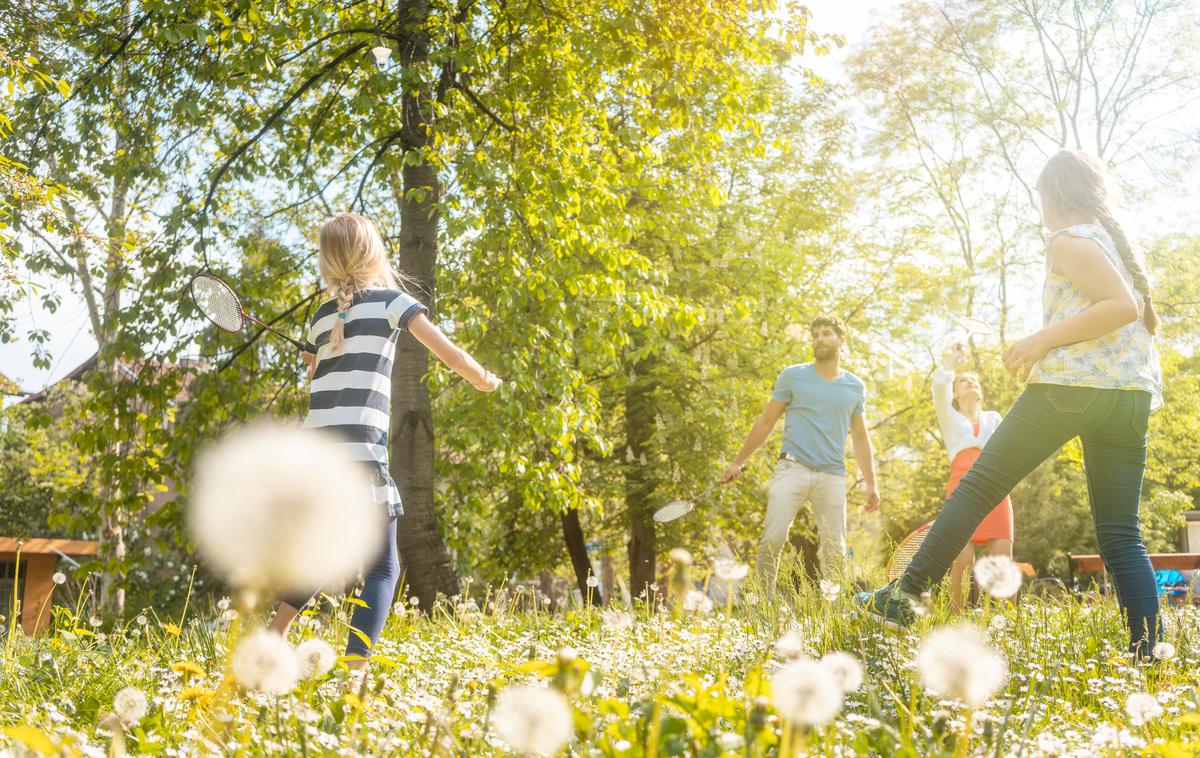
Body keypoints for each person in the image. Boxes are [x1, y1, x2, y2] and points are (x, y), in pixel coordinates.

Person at [860, 149, 1163, 657]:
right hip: (1128, 398)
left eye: (1040, 195)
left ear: (1052, 194)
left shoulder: (1070, 241)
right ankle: (1148, 653)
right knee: (1120, 535)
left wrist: (1042, 340)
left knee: (976, 489)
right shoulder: (1113, 241)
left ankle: (904, 595)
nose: (1039, 205)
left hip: (1071, 389)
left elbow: (1121, 307)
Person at [268, 213, 502, 681]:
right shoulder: (394, 304)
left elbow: (318, 375)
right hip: (360, 456)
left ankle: (272, 636)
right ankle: (355, 672)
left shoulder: (318, 319)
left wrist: (316, 359)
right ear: (374, 253)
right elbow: (448, 352)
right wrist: (482, 378)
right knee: (382, 568)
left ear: (327, 262)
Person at [723, 315, 880, 590]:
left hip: (832, 475)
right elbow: (766, 421)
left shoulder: (854, 387)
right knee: (772, 538)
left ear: (841, 341)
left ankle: (832, 615)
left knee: (835, 549)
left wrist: (871, 483)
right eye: (816, 334)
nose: (820, 338)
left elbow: (860, 437)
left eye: (827, 334)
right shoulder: (793, 376)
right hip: (791, 468)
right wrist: (738, 461)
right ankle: (763, 605)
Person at [933, 342, 1014, 611]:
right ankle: (956, 618)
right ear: (955, 394)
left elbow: (1008, 451)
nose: (969, 383)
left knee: (1002, 560)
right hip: (961, 485)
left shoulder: (994, 418)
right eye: (963, 382)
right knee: (963, 559)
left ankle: (1008, 625)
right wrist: (953, 358)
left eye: (973, 381)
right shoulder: (949, 417)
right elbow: (938, 387)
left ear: (980, 393)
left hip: (995, 486)